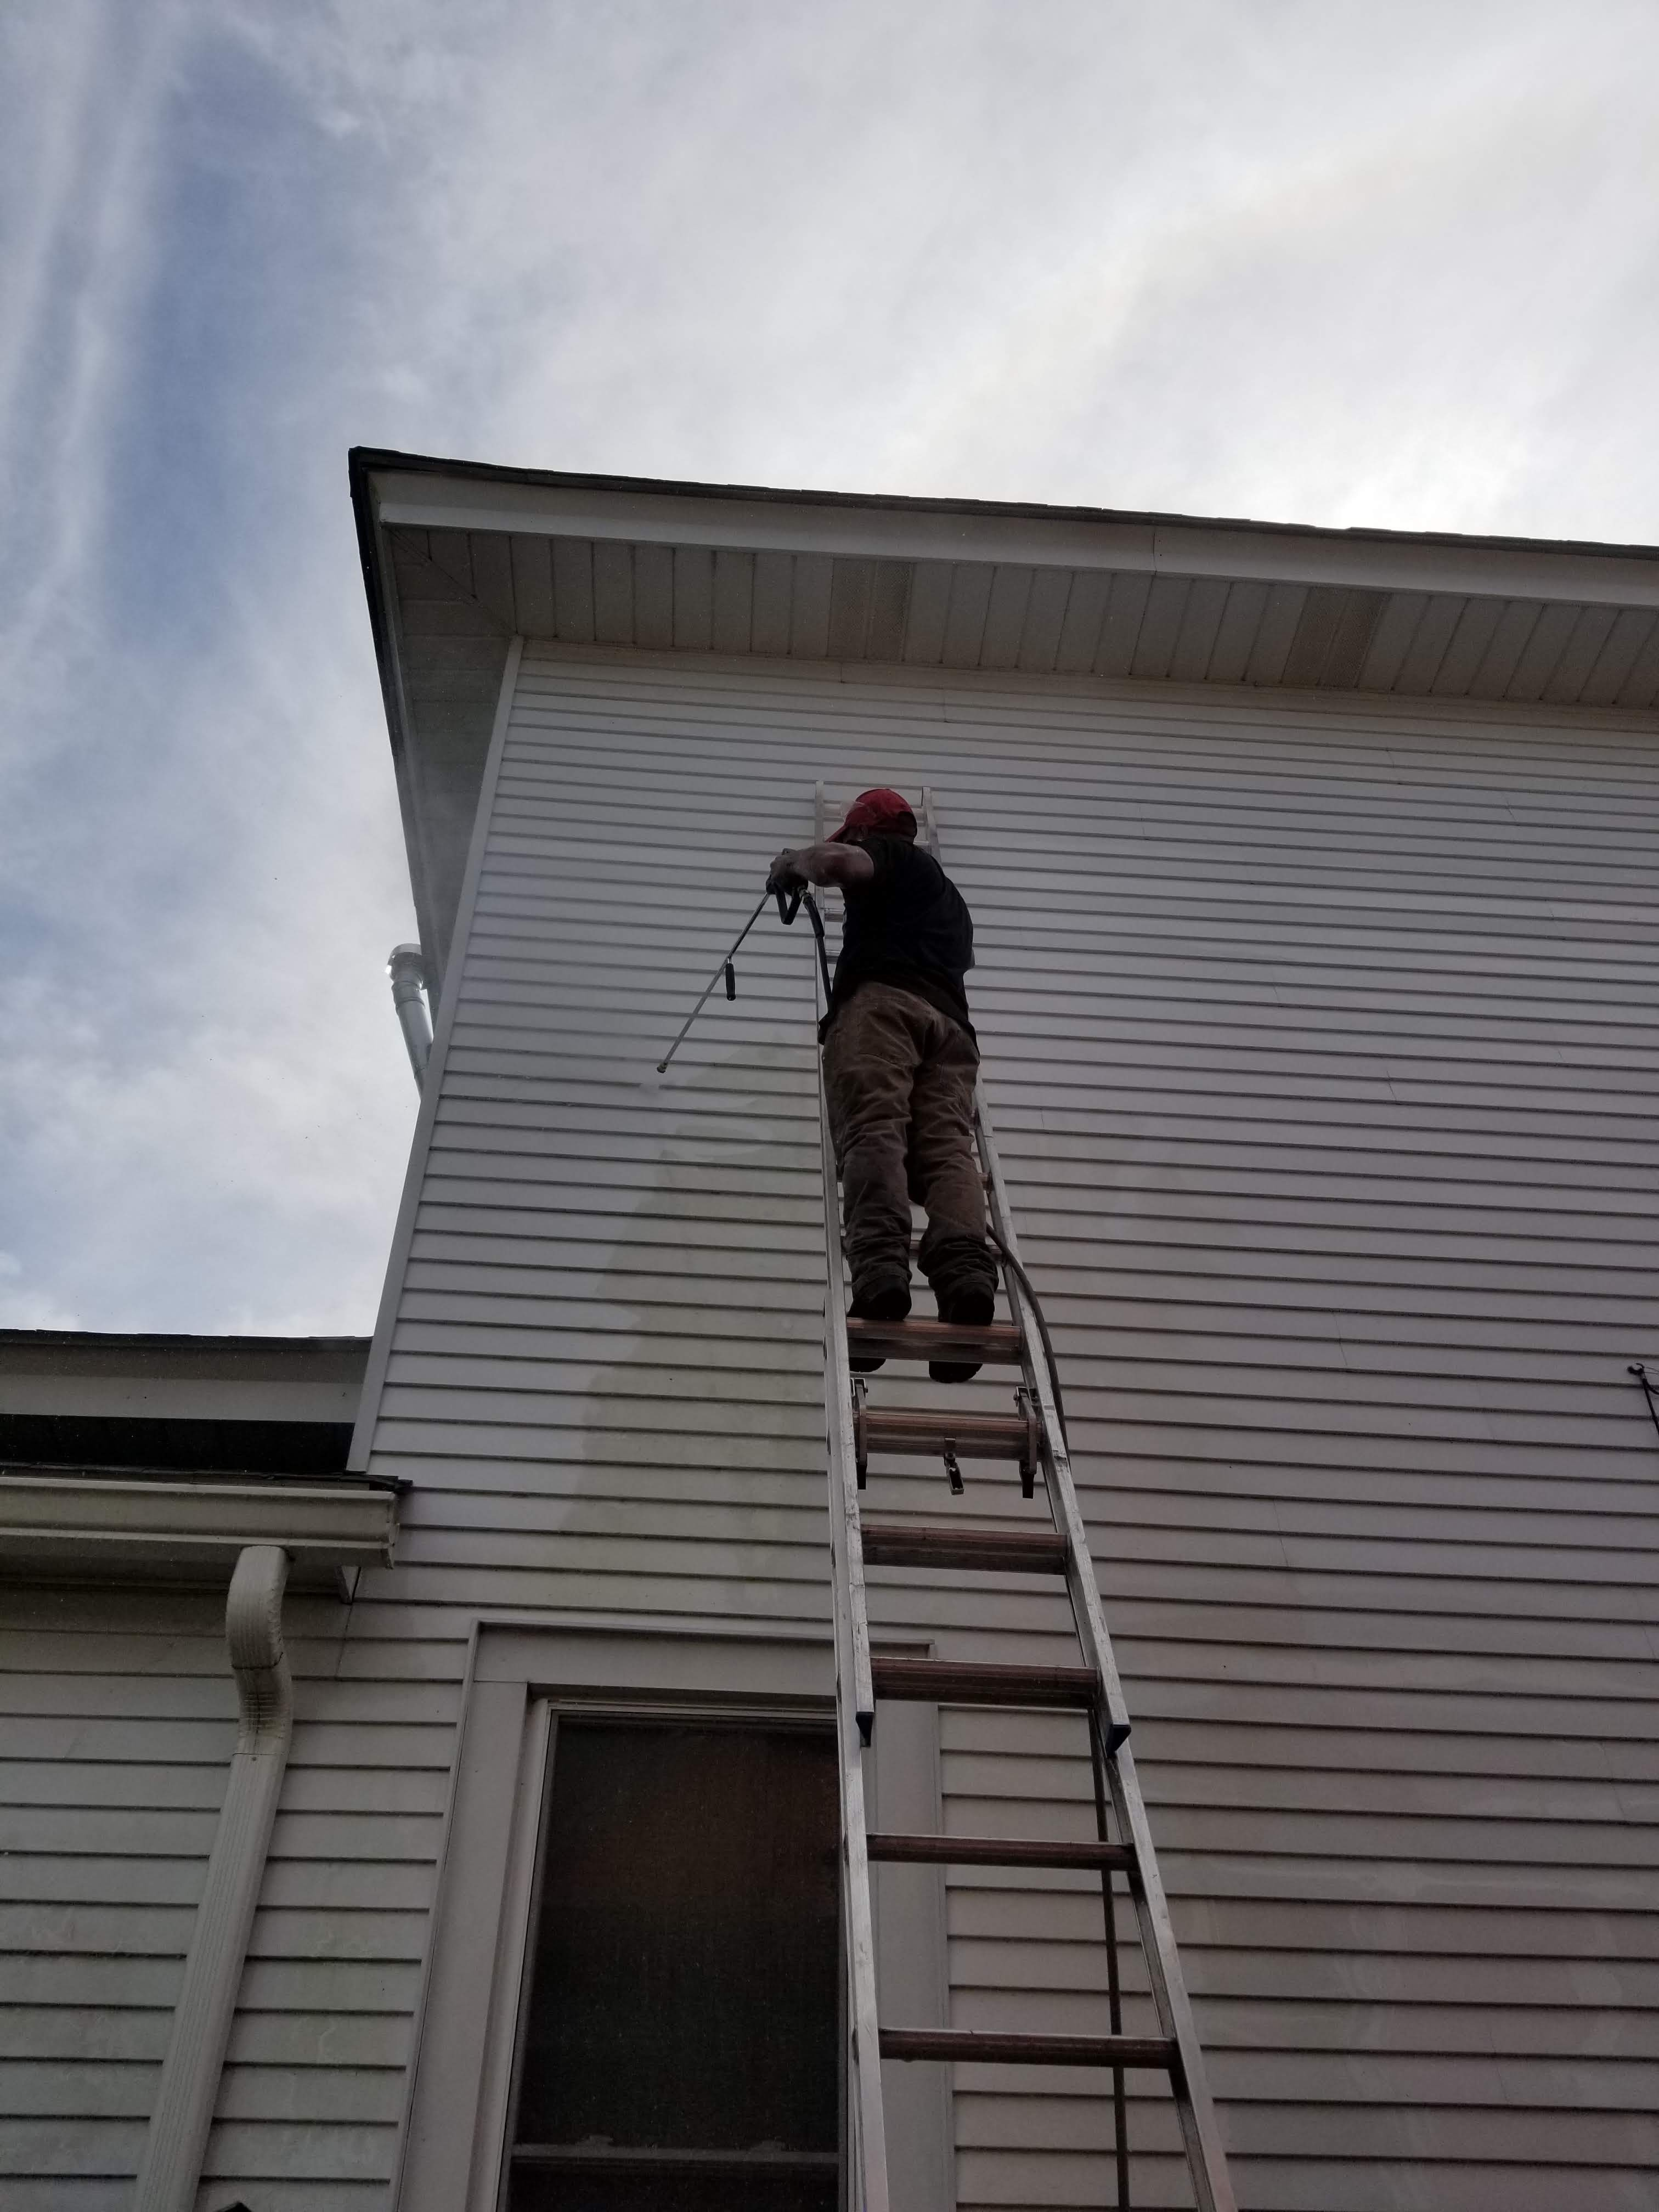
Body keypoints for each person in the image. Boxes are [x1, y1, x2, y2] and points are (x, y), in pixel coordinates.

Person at [768, 788, 998, 1383]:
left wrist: (795, 862)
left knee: (874, 1131)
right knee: (947, 1151)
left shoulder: (892, 857)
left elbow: (837, 864)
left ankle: (880, 1278)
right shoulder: (948, 900)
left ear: (869, 833)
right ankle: (966, 1279)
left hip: (883, 1013)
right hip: (950, 1030)